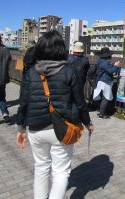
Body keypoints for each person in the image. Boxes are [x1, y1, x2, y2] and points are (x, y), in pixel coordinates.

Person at [16, 30, 94, 199]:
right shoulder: (69, 71)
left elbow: (23, 102)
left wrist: (20, 127)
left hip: (36, 128)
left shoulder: (31, 72)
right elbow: (80, 102)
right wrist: (87, 123)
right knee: (60, 172)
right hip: (63, 128)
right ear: (61, 50)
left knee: (41, 168)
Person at [93, 47, 121, 119]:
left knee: (103, 98)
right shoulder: (104, 63)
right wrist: (116, 66)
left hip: (101, 81)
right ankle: (102, 114)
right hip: (105, 82)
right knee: (105, 98)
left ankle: (101, 112)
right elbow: (111, 71)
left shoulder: (100, 61)